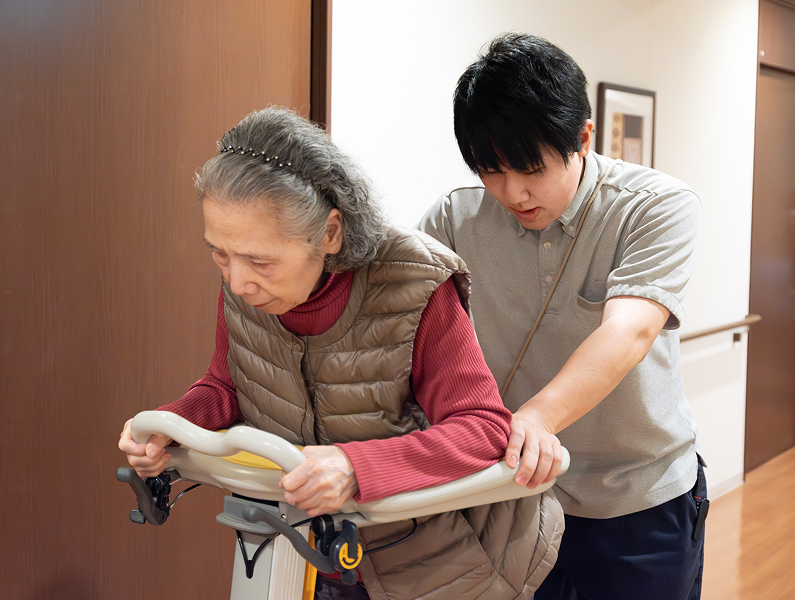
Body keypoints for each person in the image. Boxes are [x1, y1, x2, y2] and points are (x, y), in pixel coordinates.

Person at [118, 107, 563, 600]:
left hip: (458, 562)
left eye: (260, 260)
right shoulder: (251, 286)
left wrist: (354, 467)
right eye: (220, 253)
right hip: (320, 551)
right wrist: (172, 421)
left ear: (330, 233)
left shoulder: (415, 282)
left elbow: (483, 427)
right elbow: (230, 384)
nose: (237, 281)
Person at [418, 33, 707, 600]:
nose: (513, 192)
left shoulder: (656, 207)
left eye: (530, 168)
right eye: (491, 170)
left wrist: (538, 417)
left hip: (638, 499)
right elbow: (403, 330)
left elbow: (629, 331)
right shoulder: (454, 219)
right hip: (512, 495)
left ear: (582, 138)